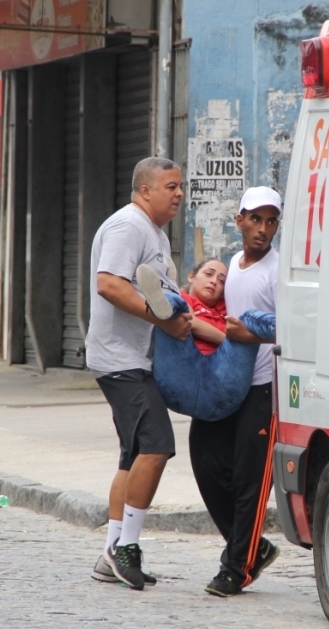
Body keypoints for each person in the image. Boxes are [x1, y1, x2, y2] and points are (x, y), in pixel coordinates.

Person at [85, 157, 192, 591]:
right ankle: (125, 548)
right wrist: (161, 320)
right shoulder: (128, 226)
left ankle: (110, 552)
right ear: (145, 190)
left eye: (181, 186)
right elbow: (108, 283)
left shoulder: (155, 233)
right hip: (120, 360)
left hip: (133, 358)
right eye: (171, 186)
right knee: (157, 446)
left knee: (133, 456)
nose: (179, 193)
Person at [191, 186, 284, 597]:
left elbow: (294, 329)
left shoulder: (280, 271)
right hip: (228, 384)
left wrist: (251, 335)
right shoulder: (234, 264)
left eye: (271, 221)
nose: (263, 229)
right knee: (205, 459)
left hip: (265, 389)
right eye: (256, 219)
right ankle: (251, 547)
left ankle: (236, 569)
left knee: (250, 480)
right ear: (239, 221)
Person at [137, 258, 276, 421]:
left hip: (222, 386)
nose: (214, 282)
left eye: (221, 280)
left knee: (247, 318)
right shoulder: (185, 298)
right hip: (181, 375)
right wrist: (230, 337)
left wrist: (240, 335)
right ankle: (161, 305)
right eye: (208, 274)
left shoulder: (226, 307)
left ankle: (284, 329)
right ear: (191, 276)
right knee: (177, 304)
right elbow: (192, 323)